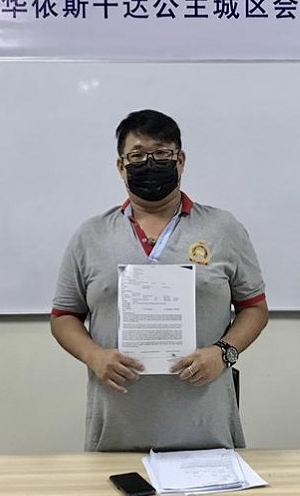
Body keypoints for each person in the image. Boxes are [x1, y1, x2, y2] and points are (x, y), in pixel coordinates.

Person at [51, 109, 268, 452]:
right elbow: (64, 317)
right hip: (118, 422)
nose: (149, 163)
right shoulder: (90, 235)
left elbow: (254, 308)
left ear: (180, 160)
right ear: (121, 166)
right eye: (137, 155)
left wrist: (224, 353)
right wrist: (94, 355)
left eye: (162, 153)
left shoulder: (223, 229)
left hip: (204, 421)